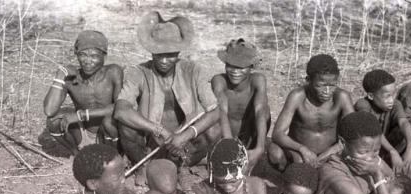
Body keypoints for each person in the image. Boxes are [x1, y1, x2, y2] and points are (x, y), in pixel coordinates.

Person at [114, 11, 221, 168]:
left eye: (170, 55)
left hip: (186, 140)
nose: (164, 60)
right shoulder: (137, 72)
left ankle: (184, 166)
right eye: (159, 54)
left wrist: (186, 135)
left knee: (214, 129)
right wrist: (160, 131)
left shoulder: (193, 70)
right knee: (126, 127)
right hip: (152, 140)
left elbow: (215, 111)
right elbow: (121, 111)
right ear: (151, 51)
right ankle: (143, 166)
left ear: (178, 52)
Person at [268, 54, 354, 170]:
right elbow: (277, 134)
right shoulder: (297, 96)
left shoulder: (342, 97)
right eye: (321, 85)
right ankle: (291, 173)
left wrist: (329, 153)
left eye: (332, 85)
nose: (327, 91)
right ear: (308, 80)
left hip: (331, 153)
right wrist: (302, 149)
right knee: (275, 152)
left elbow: (354, 134)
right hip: (299, 153)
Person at [44, 30, 123, 155]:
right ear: (77, 55)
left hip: (108, 133)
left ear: (104, 56)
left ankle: (113, 155)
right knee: (54, 120)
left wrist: (81, 115)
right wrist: (60, 74)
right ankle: (77, 153)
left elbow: (121, 108)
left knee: (109, 122)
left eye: (94, 56)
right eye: (83, 55)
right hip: (83, 133)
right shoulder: (71, 78)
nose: (87, 61)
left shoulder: (113, 72)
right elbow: (49, 111)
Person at [212, 38, 271, 172]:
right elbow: (222, 110)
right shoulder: (219, 80)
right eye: (230, 65)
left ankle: (254, 151)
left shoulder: (258, 80)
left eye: (241, 67)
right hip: (225, 135)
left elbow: (260, 110)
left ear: (251, 67)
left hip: (248, 137)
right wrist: (229, 145)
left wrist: (260, 147)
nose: (235, 71)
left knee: (265, 110)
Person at [355, 69, 411, 175]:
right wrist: (393, 151)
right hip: (367, 150)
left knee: (405, 133)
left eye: (393, 94)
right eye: (387, 96)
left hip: (384, 148)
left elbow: (404, 123)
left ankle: (401, 170)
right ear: (371, 96)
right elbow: (372, 129)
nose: (391, 100)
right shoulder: (362, 105)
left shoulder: (395, 104)